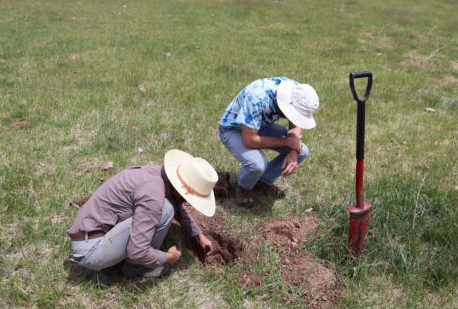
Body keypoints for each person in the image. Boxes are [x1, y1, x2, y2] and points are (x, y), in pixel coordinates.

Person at [67, 149, 218, 281]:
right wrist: (169, 257)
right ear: (180, 189)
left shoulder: (157, 174)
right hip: (90, 250)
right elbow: (137, 251)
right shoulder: (153, 194)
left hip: (88, 236)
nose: (186, 202)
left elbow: (178, 205)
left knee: (167, 207)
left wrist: (199, 235)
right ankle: (137, 268)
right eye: (188, 198)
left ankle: (111, 261)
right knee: (166, 210)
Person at [218, 77, 319, 207]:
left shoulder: (297, 92)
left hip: (261, 126)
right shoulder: (256, 97)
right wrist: (288, 142)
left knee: (302, 151)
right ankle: (244, 187)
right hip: (234, 129)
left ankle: (263, 181)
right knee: (257, 164)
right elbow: (250, 141)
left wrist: (294, 151)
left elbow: (295, 126)